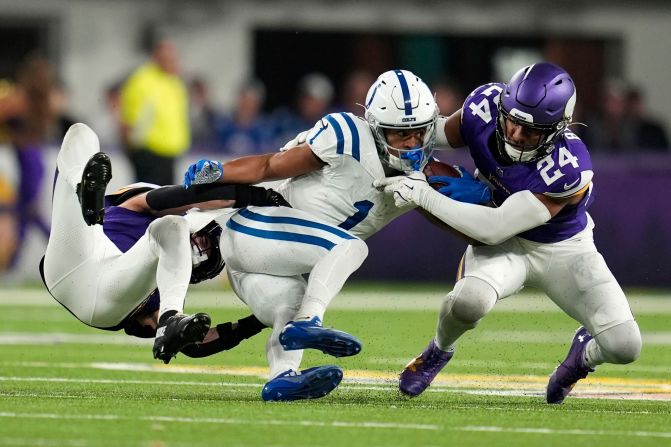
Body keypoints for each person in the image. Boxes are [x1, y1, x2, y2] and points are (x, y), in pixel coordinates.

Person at [374, 62, 642, 404]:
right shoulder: (483, 106)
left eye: (530, 131)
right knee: (469, 302)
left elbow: (494, 228)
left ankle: (578, 361)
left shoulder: (569, 166)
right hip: (506, 246)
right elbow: (431, 135)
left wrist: (422, 192)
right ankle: (438, 351)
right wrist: (385, 136)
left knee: (625, 345)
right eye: (512, 121)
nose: (515, 134)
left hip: (562, 249)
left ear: (558, 129)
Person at [182, 69, 447, 401]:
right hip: (256, 228)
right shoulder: (347, 134)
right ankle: (310, 321)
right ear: (378, 129)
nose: (410, 143)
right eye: (399, 134)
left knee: (289, 303)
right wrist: (223, 169)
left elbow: (456, 212)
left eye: (418, 132)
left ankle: (283, 378)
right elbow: (270, 166)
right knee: (350, 248)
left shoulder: (427, 176)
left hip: (267, 266)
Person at [42, 123, 287, 363]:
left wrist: (260, 320)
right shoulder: (146, 212)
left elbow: (193, 345)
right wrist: (257, 196)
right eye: (203, 245)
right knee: (80, 133)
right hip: (82, 246)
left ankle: (171, 319)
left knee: (172, 226)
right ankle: (82, 187)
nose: (198, 250)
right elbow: (177, 197)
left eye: (201, 257)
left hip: (103, 291)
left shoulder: (160, 280)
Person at [119, 39, 190, 185]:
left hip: (169, 154)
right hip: (148, 153)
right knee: (148, 201)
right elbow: (128, 118)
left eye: (174, 59)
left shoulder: (174, 82)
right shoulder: (142, 80)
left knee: (165, 202)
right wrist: (133, 150)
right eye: (168, 59)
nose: (173, 63)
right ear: (156, 58)